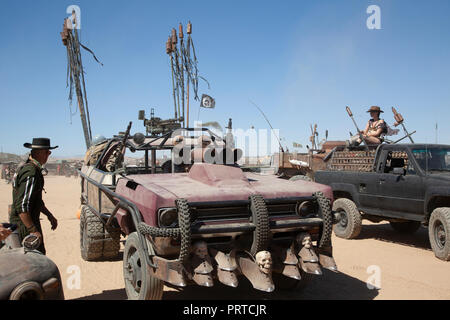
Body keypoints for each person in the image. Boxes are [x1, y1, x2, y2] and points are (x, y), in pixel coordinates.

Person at [9, 138, 58, 255]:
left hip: (29, 223)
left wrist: (49, 215)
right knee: (33, 260)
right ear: (38, 152)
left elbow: (37, 200)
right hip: (24, 226)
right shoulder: (31, 172)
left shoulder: (34, 169)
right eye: (47, 152)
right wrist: (33, 230)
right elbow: (22, 205)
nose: (48, 155)